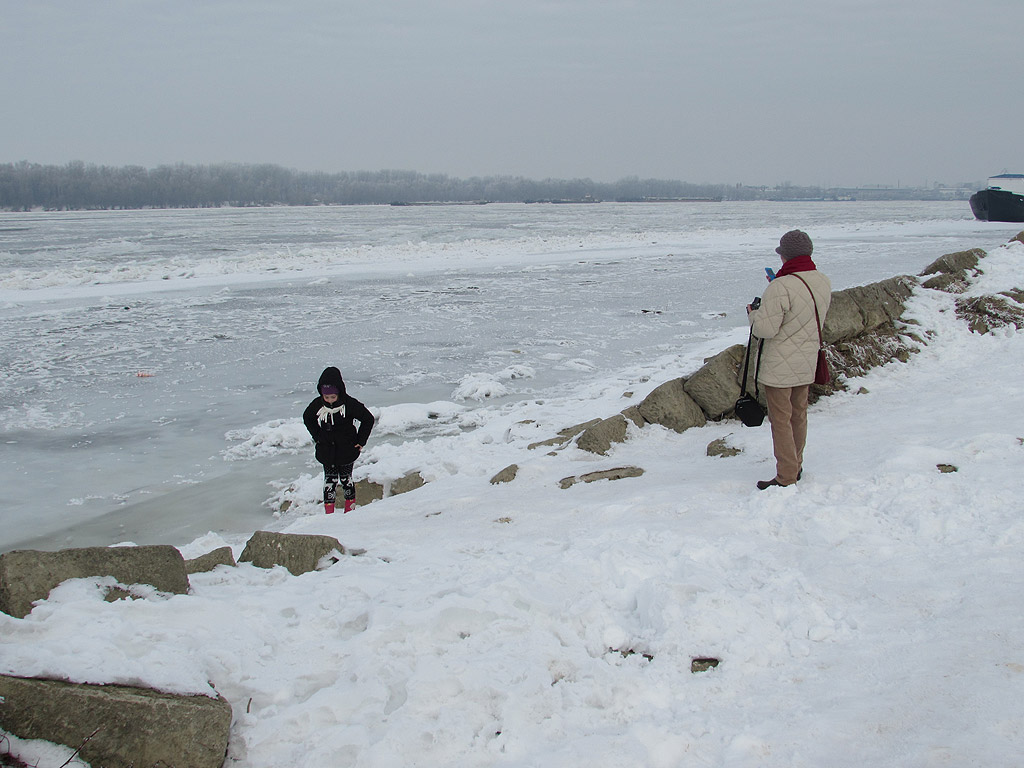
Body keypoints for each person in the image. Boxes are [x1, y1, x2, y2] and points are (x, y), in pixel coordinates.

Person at [745, 230, 831, 490]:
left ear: (784, 256)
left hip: (780, 365)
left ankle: (785, 476)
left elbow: (765, 330)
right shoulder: (822, 280)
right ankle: (796, 465)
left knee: (781, 420)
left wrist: (752, 314)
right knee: (799, 416)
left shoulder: (780, 286)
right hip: (806, 360)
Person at [302, 366, 375, 514]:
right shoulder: (318, 404)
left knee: (346, 479)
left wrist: (361, 441)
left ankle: (350, 510)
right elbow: (307, 418)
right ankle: (329, 513)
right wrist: (318, 437)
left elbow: (368, 419)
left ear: (339, 392)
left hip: (347, 450)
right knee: (329, 480)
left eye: (333, 397)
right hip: (327, 451)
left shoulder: (349, 404)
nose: (329, 400)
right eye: (326, 397)